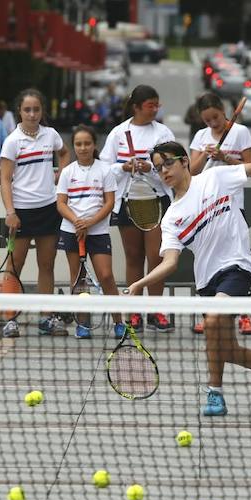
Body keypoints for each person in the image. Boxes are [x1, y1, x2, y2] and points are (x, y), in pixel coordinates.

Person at [126, 141, 251, 417]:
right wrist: (141, 283)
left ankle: (214, 393)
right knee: (226, 349)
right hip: (207, 282)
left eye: (168, 163)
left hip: (237, 267)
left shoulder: (215, 178)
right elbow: (170, 262)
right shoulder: (172, 216)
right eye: (159, 167)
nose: (164, 171)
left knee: (211, 322)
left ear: (184, 161)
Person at [100, 84, 175, 333]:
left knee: (156, 257)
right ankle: (133, 313)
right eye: (150, 105)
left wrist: (150, 168)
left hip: (156, 200)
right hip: (126, 201)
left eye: (157, 105)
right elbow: (104, 167)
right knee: (134, 257)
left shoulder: (163, 133)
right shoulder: (118, 133)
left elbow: (171, 167)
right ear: (136, 107)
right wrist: (123, 167)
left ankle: (155, 312)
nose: (155, 109)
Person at [0, 88, 72, 338]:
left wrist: (60, 174)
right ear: (19, 111)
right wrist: (10, 211)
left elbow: (64, 153)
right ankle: (10, 319)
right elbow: (5, 180)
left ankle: (46, 317)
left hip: (48, 209)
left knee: (46, 265)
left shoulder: (50, 135)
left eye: (36, 110)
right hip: (21, 212)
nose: (32, 114)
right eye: (27, 110)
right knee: (15, 266)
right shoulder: (12, 141)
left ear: (42, 111)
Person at [189, 91, 251, 336]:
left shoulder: (240, 132)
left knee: (235, 263)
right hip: (206, 208)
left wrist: (225, 157)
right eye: (208, 121)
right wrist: (206, 155)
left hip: (233, 206)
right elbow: (192, 171)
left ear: (223, 110)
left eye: (216, 118)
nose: (213, 124)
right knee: (209, 261)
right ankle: (208, 314)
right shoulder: (200, 136)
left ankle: (244, 315)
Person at [55, 125, 123, 339]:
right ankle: (82, 324)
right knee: (78, 280)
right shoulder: (68, 172)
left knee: (106, 276)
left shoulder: (105, 170)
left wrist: (90, 223)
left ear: (95, 145)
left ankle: (119, 323)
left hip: (98, 232)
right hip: (71, 231)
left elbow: (109, 202)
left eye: (87, 143)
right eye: (78, 144)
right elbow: (61, 204)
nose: (83, 148)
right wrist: (77, 222)